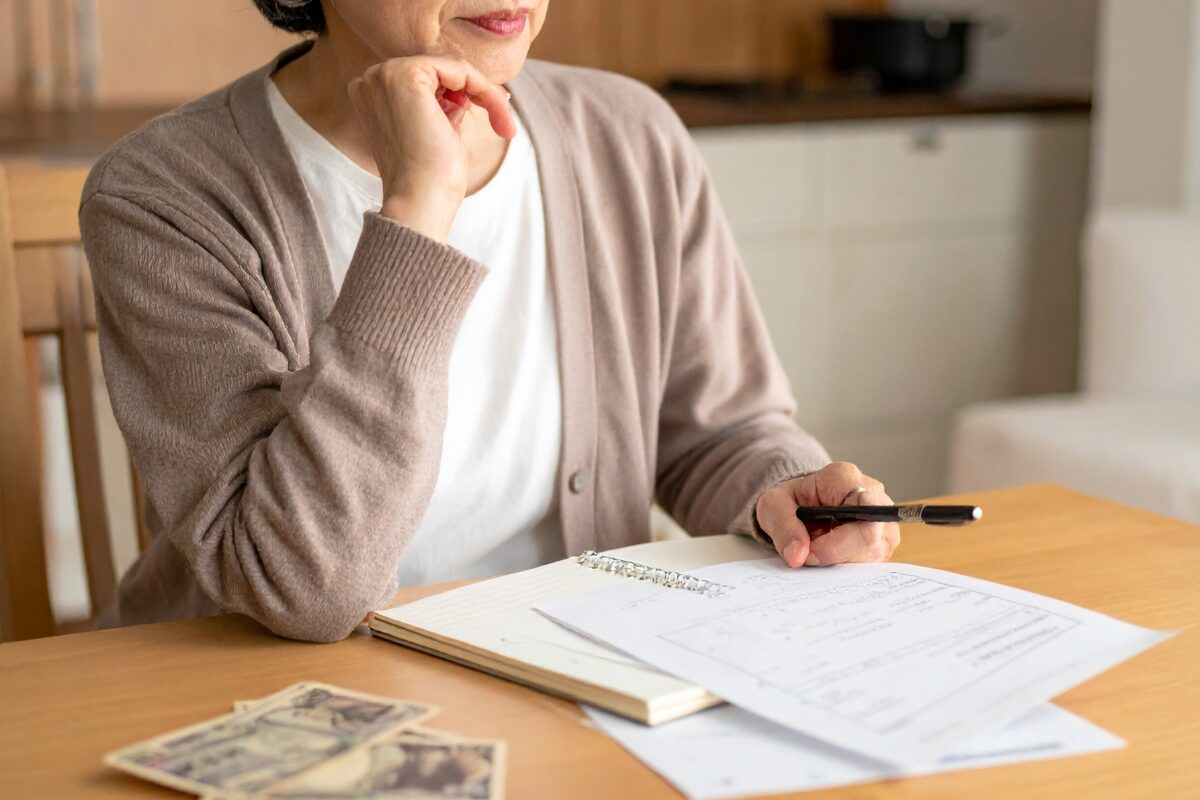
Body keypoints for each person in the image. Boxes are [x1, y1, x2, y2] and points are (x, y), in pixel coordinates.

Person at [79, 0, 899, 643]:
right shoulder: (164, 195)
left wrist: (784, 494)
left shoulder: (629, 135)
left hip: (572, 678)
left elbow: (717, 434)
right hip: (258, 704)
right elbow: (304, 587)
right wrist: (418, 210)